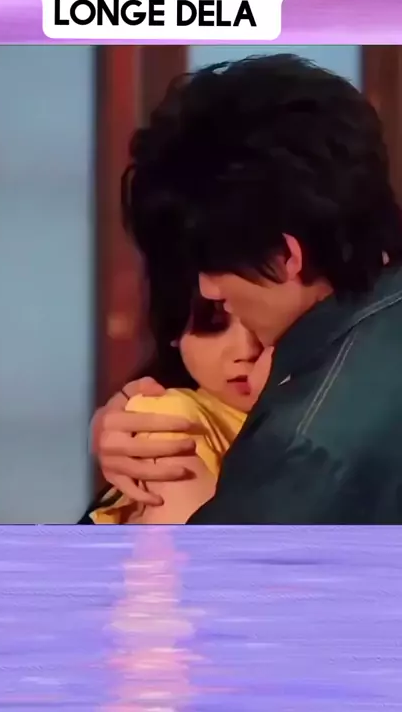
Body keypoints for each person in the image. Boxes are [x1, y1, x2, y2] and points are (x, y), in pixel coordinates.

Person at [84, 53, 402, 524]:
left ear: (285, 256)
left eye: (213, 264)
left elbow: (211, 570)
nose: (208, 289)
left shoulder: (304, 450)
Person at [90, 291, 272, 523]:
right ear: (175, 331)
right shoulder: (172, 416)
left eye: (262, 318)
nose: (246, 351)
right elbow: (190, 543)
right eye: (213, 324)